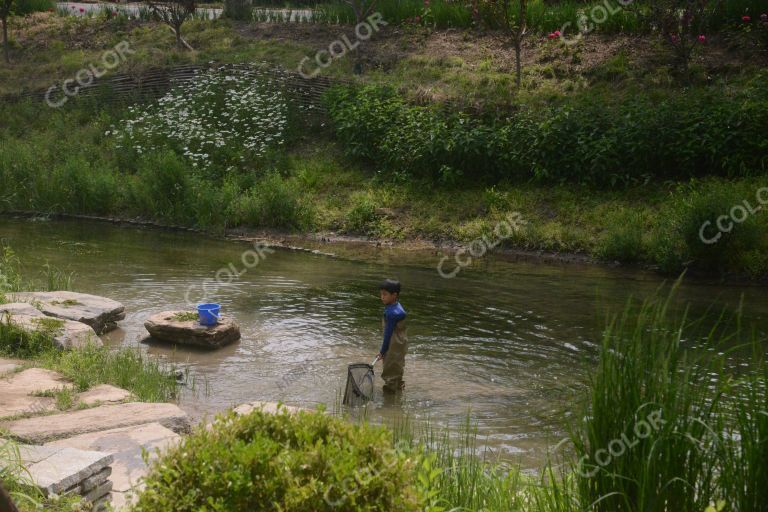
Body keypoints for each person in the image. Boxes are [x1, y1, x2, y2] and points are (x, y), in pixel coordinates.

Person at [377, 279, 408, 393]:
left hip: (393, 345)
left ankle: (389, 402)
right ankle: (399, 392)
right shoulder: (396, 306)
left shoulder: (391, 313)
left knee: (389, 372)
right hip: (401, 344)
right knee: (397, 368)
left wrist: (382, 351)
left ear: (394, 295)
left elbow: (388, 334)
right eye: (381, 294)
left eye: (385, 294)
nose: (382, 297)